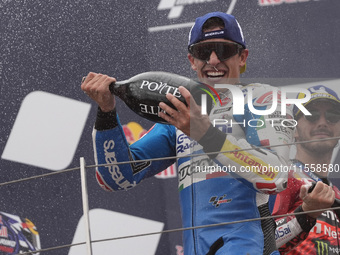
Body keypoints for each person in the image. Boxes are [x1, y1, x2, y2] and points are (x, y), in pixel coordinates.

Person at [81, 12, 294, 255]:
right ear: (192, 60)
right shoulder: (179, 116)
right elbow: (117, 177)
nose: (213, 60)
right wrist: (107, 113)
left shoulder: (262, 99)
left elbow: (276, 176)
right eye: (204, 52)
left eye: (223, 50)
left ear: (242, 57)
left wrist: (206, 134)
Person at [272, 85, 340, 254]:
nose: (323, 123)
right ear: (294, 129)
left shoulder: (336, 193)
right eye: (311, 115)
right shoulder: (281, 176)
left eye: (332, 116)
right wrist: (306, 214)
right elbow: (261, 242)